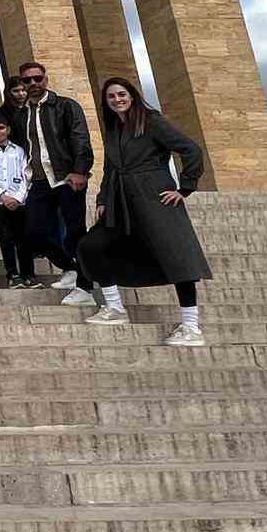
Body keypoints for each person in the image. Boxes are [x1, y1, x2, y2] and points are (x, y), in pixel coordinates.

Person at [79, 76, 213, 345]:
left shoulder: (151, 121)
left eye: (122, 94)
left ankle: (191, 326)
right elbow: (110, 169)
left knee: (177, 257)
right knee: (91, 245)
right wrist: (103, 200)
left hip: (154, 196)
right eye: (112, 96)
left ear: (132, 96)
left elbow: (191, 150)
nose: (118, 100)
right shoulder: (115, 128)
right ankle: (115, 308)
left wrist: (184, 188)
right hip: (121, 200)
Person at [17, 61, 95, 305]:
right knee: (33, 231)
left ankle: (86, 288)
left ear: (45, 79)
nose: (33, 84)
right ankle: (69, 267)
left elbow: (80, 139)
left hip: (66, 177)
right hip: (39, 180)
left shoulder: (65, 106)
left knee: (75, 232)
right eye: (27, 80)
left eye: (37, 79)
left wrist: (80, 171)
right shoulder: (22, 114)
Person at [0, 113, 37, 289]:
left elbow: (26, 174)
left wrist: (18, 197)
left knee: (24, 238)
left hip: (19, 200)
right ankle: (13, 274)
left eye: (1, 128)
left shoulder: (19, 150)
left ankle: (29, 274)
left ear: (8, 130)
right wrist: (3, 196)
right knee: (6, 238)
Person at [0, 75, 30, 147]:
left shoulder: (31, 109)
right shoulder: (0, 113)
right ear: (8, 92)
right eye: (16, 91)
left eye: (23, 90)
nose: (21, 94)